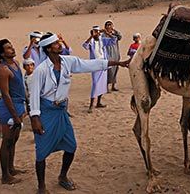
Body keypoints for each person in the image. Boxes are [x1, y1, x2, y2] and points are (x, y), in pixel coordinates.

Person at [29, 32, 129, 193]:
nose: (59, 44)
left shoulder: (68, 61)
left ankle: (62, 176)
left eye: (59, 42)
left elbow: (90, 64)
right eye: (55, 43)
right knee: (41, 151)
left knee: (71, 146)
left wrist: (119, 63)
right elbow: (33, 95)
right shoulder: (41, 70)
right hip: (46, 112)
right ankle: (41, 186)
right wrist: (35, 118)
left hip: (61, 111)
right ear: (48, 48)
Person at [0, 39, 27, 185]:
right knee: (6, 141)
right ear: (1, 53)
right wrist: (14, 115)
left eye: (11, 46)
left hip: (18, 105)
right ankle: (5, 175)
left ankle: (11, 168)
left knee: (14, 140)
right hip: (9, 108)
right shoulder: (3, 69)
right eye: (8, 48)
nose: (12, 49)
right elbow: (6, 94)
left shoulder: (16, 64)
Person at [82, 26, 117, 113]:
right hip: (95, 64)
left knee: (101, 84)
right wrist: (91, 36)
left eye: (98, 32)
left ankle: (98, 102)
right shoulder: (91, 42)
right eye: (95, 32)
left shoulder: (102, 40)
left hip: (103, 63)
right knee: (95, 83)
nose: (97, 34)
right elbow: (85, 45)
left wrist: (107, 33)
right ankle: (91, 105)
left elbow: (114, 40)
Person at [103, 20, 122, 92]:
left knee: (115, 69)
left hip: (116, 54)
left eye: (110, 25)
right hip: (108, 54)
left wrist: (114, 30)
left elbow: (120, 37)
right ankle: (106, 87)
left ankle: (113, 85)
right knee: (109, 70)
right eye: (107, 25)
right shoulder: (103, 35)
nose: (109, 26)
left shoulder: (114, 34)